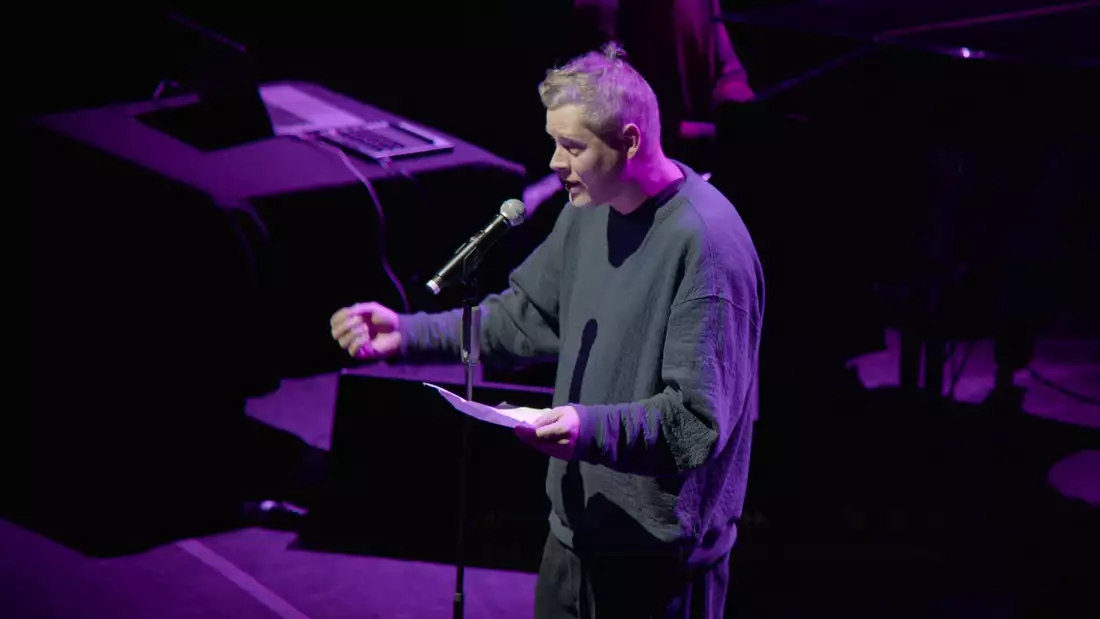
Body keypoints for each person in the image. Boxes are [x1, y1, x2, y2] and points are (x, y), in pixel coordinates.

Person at [330, 43, 764, 619]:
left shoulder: (708, 246)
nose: (555, 163)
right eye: (554, 142)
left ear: (630, 142)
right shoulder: (586, 211)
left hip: (657, 571)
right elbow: (524, 319)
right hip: (572, 540)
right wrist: (406, 335)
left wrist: (589, 427)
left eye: (572, 146)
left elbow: (694, 424)